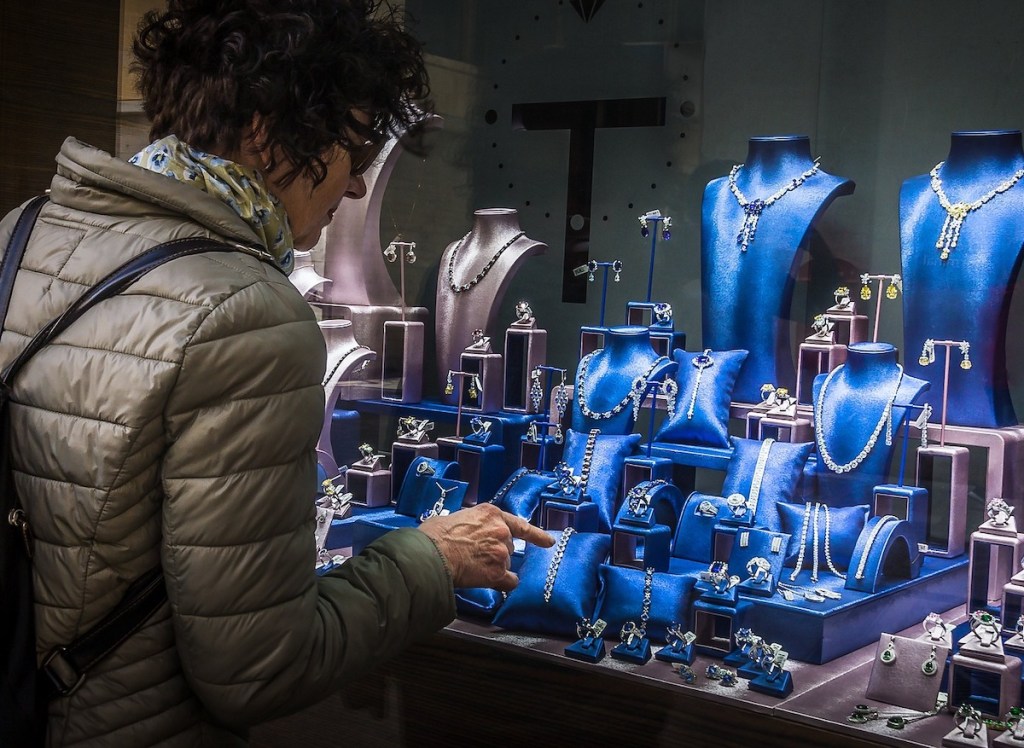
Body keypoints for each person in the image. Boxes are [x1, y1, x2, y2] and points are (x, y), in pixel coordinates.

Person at [0, 1, 552, 745]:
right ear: (266, 130)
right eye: (353, 152)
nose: (356, 186)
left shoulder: (19, 233)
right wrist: (433, 558)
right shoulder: (248, 312)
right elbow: (256, 667)